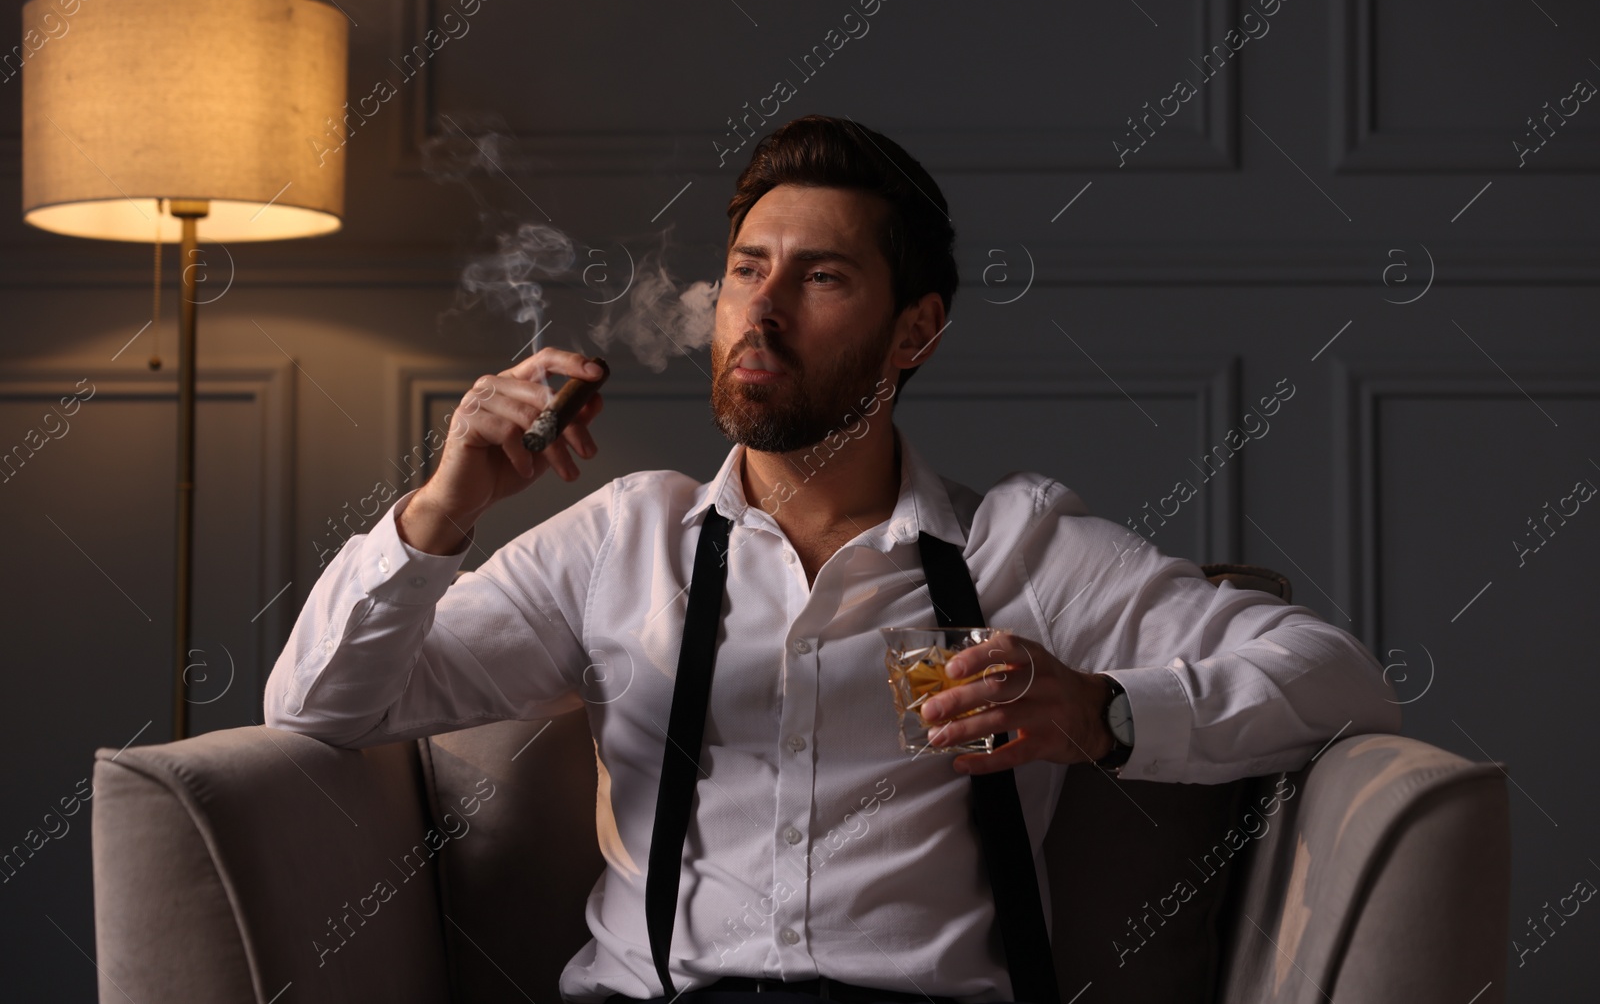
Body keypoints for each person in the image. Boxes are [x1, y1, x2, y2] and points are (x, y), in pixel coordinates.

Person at [263, 114, 1400, 1004]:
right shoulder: (624, 538)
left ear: (914, 331)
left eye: (820, 277)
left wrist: (1101, 713)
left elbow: (1335, 676)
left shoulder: (1024, 546)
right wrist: (442, 504)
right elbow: (317, 707)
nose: (762, 309)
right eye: (747, 269)